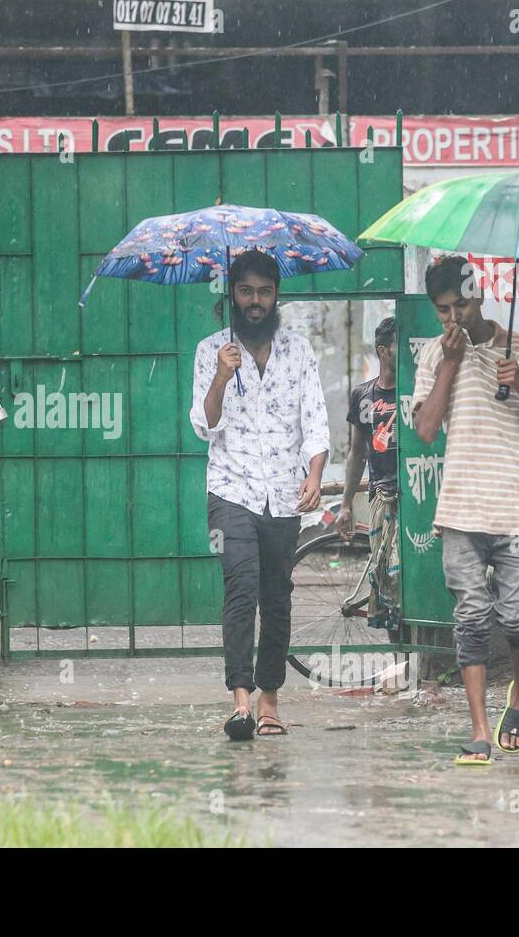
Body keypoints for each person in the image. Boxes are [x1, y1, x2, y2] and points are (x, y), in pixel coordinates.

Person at [411, 255, 519, 766]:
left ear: (482, 297)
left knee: (517, 617)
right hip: (459, 508)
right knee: (471, 618)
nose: (454, 317)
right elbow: (427, 430)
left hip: (514, 507)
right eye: (443, 310)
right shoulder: (435, 354)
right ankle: (478, 729)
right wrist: (451, 363)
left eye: (463, 304)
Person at [189, 249, 330, 741]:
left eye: (264, 292)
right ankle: (241, 703)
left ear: (276, 297)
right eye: (246, 291)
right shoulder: (213, 351)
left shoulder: (298, 350)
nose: (255, 301)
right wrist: (222, 377)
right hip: (230, 489)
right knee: (241, 587)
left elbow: (315, 421)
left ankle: (271, 701)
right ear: (233, 294)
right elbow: (204, 426)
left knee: (278, 597)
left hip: (284, 495)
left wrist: (314, 475)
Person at [336, 316, 399, 630]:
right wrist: (346, 504)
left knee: (405, 577)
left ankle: (415, 657)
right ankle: (396, 663)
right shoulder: (363, 395)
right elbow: (357, 452)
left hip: (412, 499)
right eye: (400, 346)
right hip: (380, 498)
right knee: (385, 575)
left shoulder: (417, 392)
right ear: (383, 351)